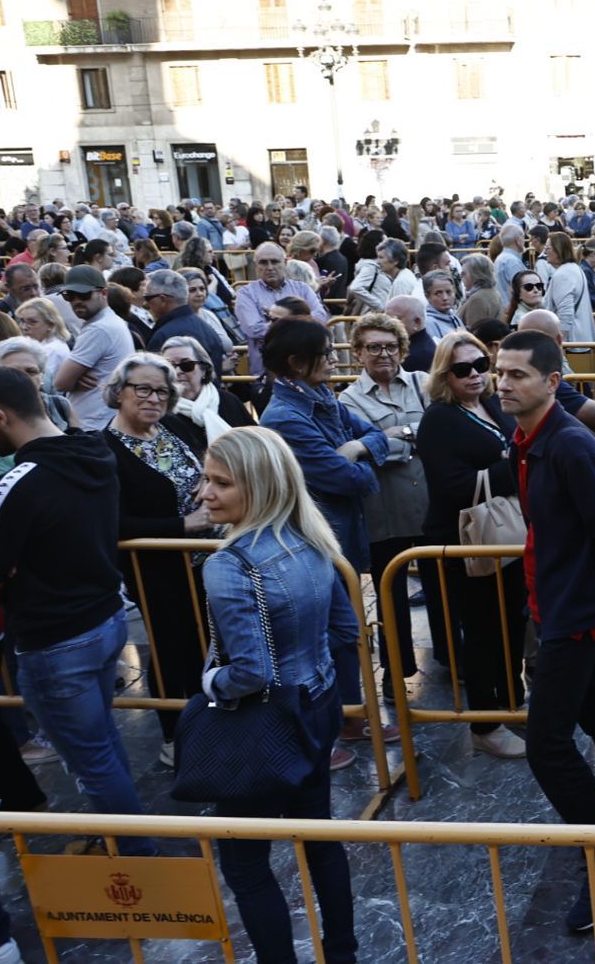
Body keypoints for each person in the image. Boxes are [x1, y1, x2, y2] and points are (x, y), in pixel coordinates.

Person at [495, 328, 595, 931]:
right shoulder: (525, 438)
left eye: (516, 375)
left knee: (548, 745)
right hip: (555, 603)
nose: (502, 383)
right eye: (499, 372)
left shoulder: (572, 446)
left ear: (552, 382)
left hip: (575, 612)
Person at [0, 366, 156, 855]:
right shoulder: (94, 450)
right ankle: (130, 838)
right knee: (102, 743)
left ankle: (138, 861)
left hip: (56, 643)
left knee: (91, 758)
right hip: (103, 623)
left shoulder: (21, 480)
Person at [196, 426, 358, 964]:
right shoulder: (312, 540)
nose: (205, 493)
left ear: (260, 487)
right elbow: (345, 630)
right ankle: (343, 953)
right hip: (318, 704)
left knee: (244, 863)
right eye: (206, 479)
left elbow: (249, 673)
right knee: (319, 837)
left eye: (221, 483)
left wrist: (208, 684)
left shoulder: (228, 564)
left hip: (262, 724)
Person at [258, 318, 393, 765]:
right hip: (310, 541)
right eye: (327, 353)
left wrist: (358, 449)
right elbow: (346, 478)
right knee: (315, 640)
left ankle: (349, 717)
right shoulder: (286, 416)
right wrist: (365, 458)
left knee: (344, 632)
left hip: (337, 538)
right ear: (297, 363)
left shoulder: (322, 400)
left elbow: (370, 435)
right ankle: (317, 734)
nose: (336, 360)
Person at [413, 330, 528, 759]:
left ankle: (510, 699)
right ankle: (486, 721)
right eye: (463, 369)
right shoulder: (439, 418)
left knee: (512, 620)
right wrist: (509, 466)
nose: (476, 375)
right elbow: (450, 486)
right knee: (481, 631)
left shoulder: (495, 403)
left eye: (482, 364)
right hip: (465, 541)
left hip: (507, 534)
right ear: (446, 374)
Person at [102, 353, 214, 765]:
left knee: (206, 645)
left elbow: (196, 468)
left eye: (162, 391)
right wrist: (183, 525)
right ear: (119, 393)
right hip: (158, 570)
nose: (154, 398)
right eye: (143, 389)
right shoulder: (104, 450)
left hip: (204, 562)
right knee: (171, 650)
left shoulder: (170, 427)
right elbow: (114, 523)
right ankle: (175, 739)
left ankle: (211, 725)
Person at [338, 313, 432, 703]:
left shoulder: (422, 383)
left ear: (402, 349)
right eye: (373, 347)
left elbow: (435, 433)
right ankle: (396, 674)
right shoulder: (347, 399)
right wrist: (388, 443)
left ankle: (451, 659)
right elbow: (356, 453)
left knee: (444, 592)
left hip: (430, 507)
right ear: (358, 352)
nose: (383, 354)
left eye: (390, 346)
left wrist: (389, 438)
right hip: (383, 512)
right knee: (390, 600)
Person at [52, 265, 135, 431]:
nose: (76, 301)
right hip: (102, 423)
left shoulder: (99, 328)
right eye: (69, 295)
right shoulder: (106, 322)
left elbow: (60, 382)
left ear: (103, 293)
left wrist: (72, 381)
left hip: (94, 426)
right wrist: (74, 380)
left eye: (84, 294)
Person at [235, 243, 329, 377]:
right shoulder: (246, 293)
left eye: (274, 262)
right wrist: (302, 323)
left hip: (306, 368)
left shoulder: (302, 288)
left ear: (285, 262)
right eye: (263, 263)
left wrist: (277, 324)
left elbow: (320, 317)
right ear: (256, 265)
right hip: (266, 372)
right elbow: (254, 329)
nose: (270, 267)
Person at [545, 231, 595, 346]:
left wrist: (560, 343)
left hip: (572, 344)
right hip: (581, 340)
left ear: (558, 250)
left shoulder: (563, 274)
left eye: (548, 248)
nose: (545, 251)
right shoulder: (574, 268)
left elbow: (565, 313)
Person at [12, 297, 72, 387]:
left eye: (32, 322)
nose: (24, 327)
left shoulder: (51, 349)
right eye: (22, 321)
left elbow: (43, 386)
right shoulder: (42, 345)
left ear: (50, 324)